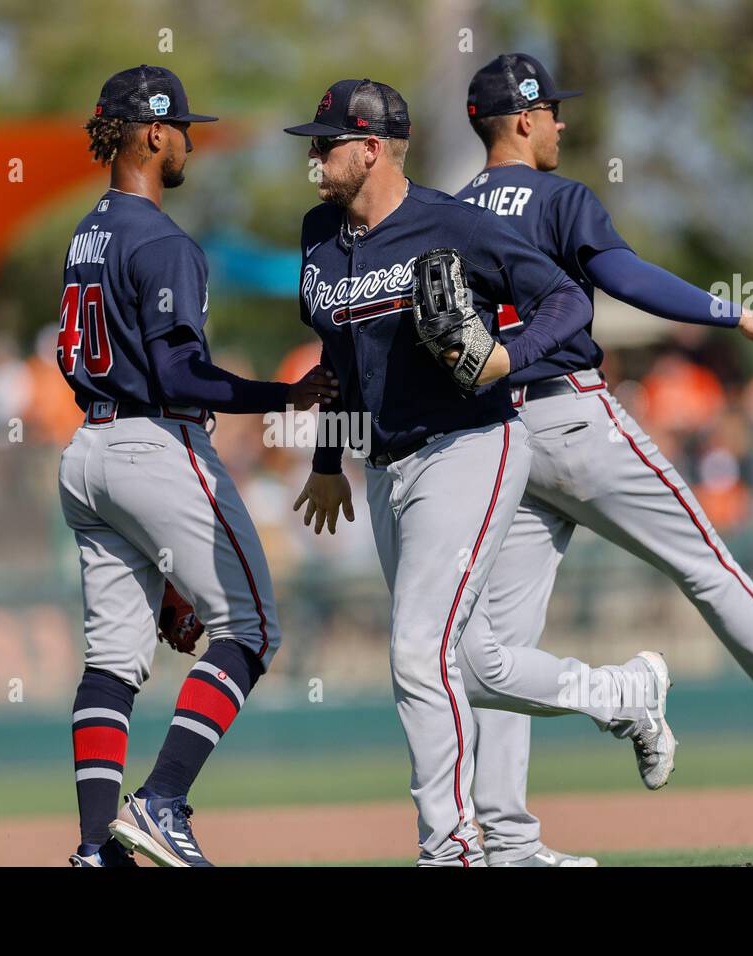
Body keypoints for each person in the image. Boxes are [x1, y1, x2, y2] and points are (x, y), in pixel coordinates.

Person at [453, 53, 753, 866]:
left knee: (503, 644)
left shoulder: (446, 211)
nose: (561, 122)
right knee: (709, 564)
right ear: (520, 119)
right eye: (550, 110)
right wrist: (733, 314)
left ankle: (506, 839)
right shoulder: (559, 197)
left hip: (498, 433)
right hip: (575, 418)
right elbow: (622, 277)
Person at [285, 79, 673, 867]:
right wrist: (329, 457)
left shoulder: (451, 224)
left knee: (416, 653)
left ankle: (453, 849)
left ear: (371, 149)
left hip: (472, 446)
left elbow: (565, 301)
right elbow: (338, 353)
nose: (314, 158)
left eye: (325, 144)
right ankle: (623, 695)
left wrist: (508, 357)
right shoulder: (319, 234)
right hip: (388, 466)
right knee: (472, 662)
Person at [58, 65, 337, 868]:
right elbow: (182, 375)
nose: (188, 141)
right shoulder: (162, 239)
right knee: (251, 627)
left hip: (88, 453)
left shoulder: (87, 233)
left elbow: (69, 351)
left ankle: (92, 848)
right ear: (151, 132)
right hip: (156, 442)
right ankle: (162, 800)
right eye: (182, 127)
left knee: (113, 663)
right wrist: (279, 394)